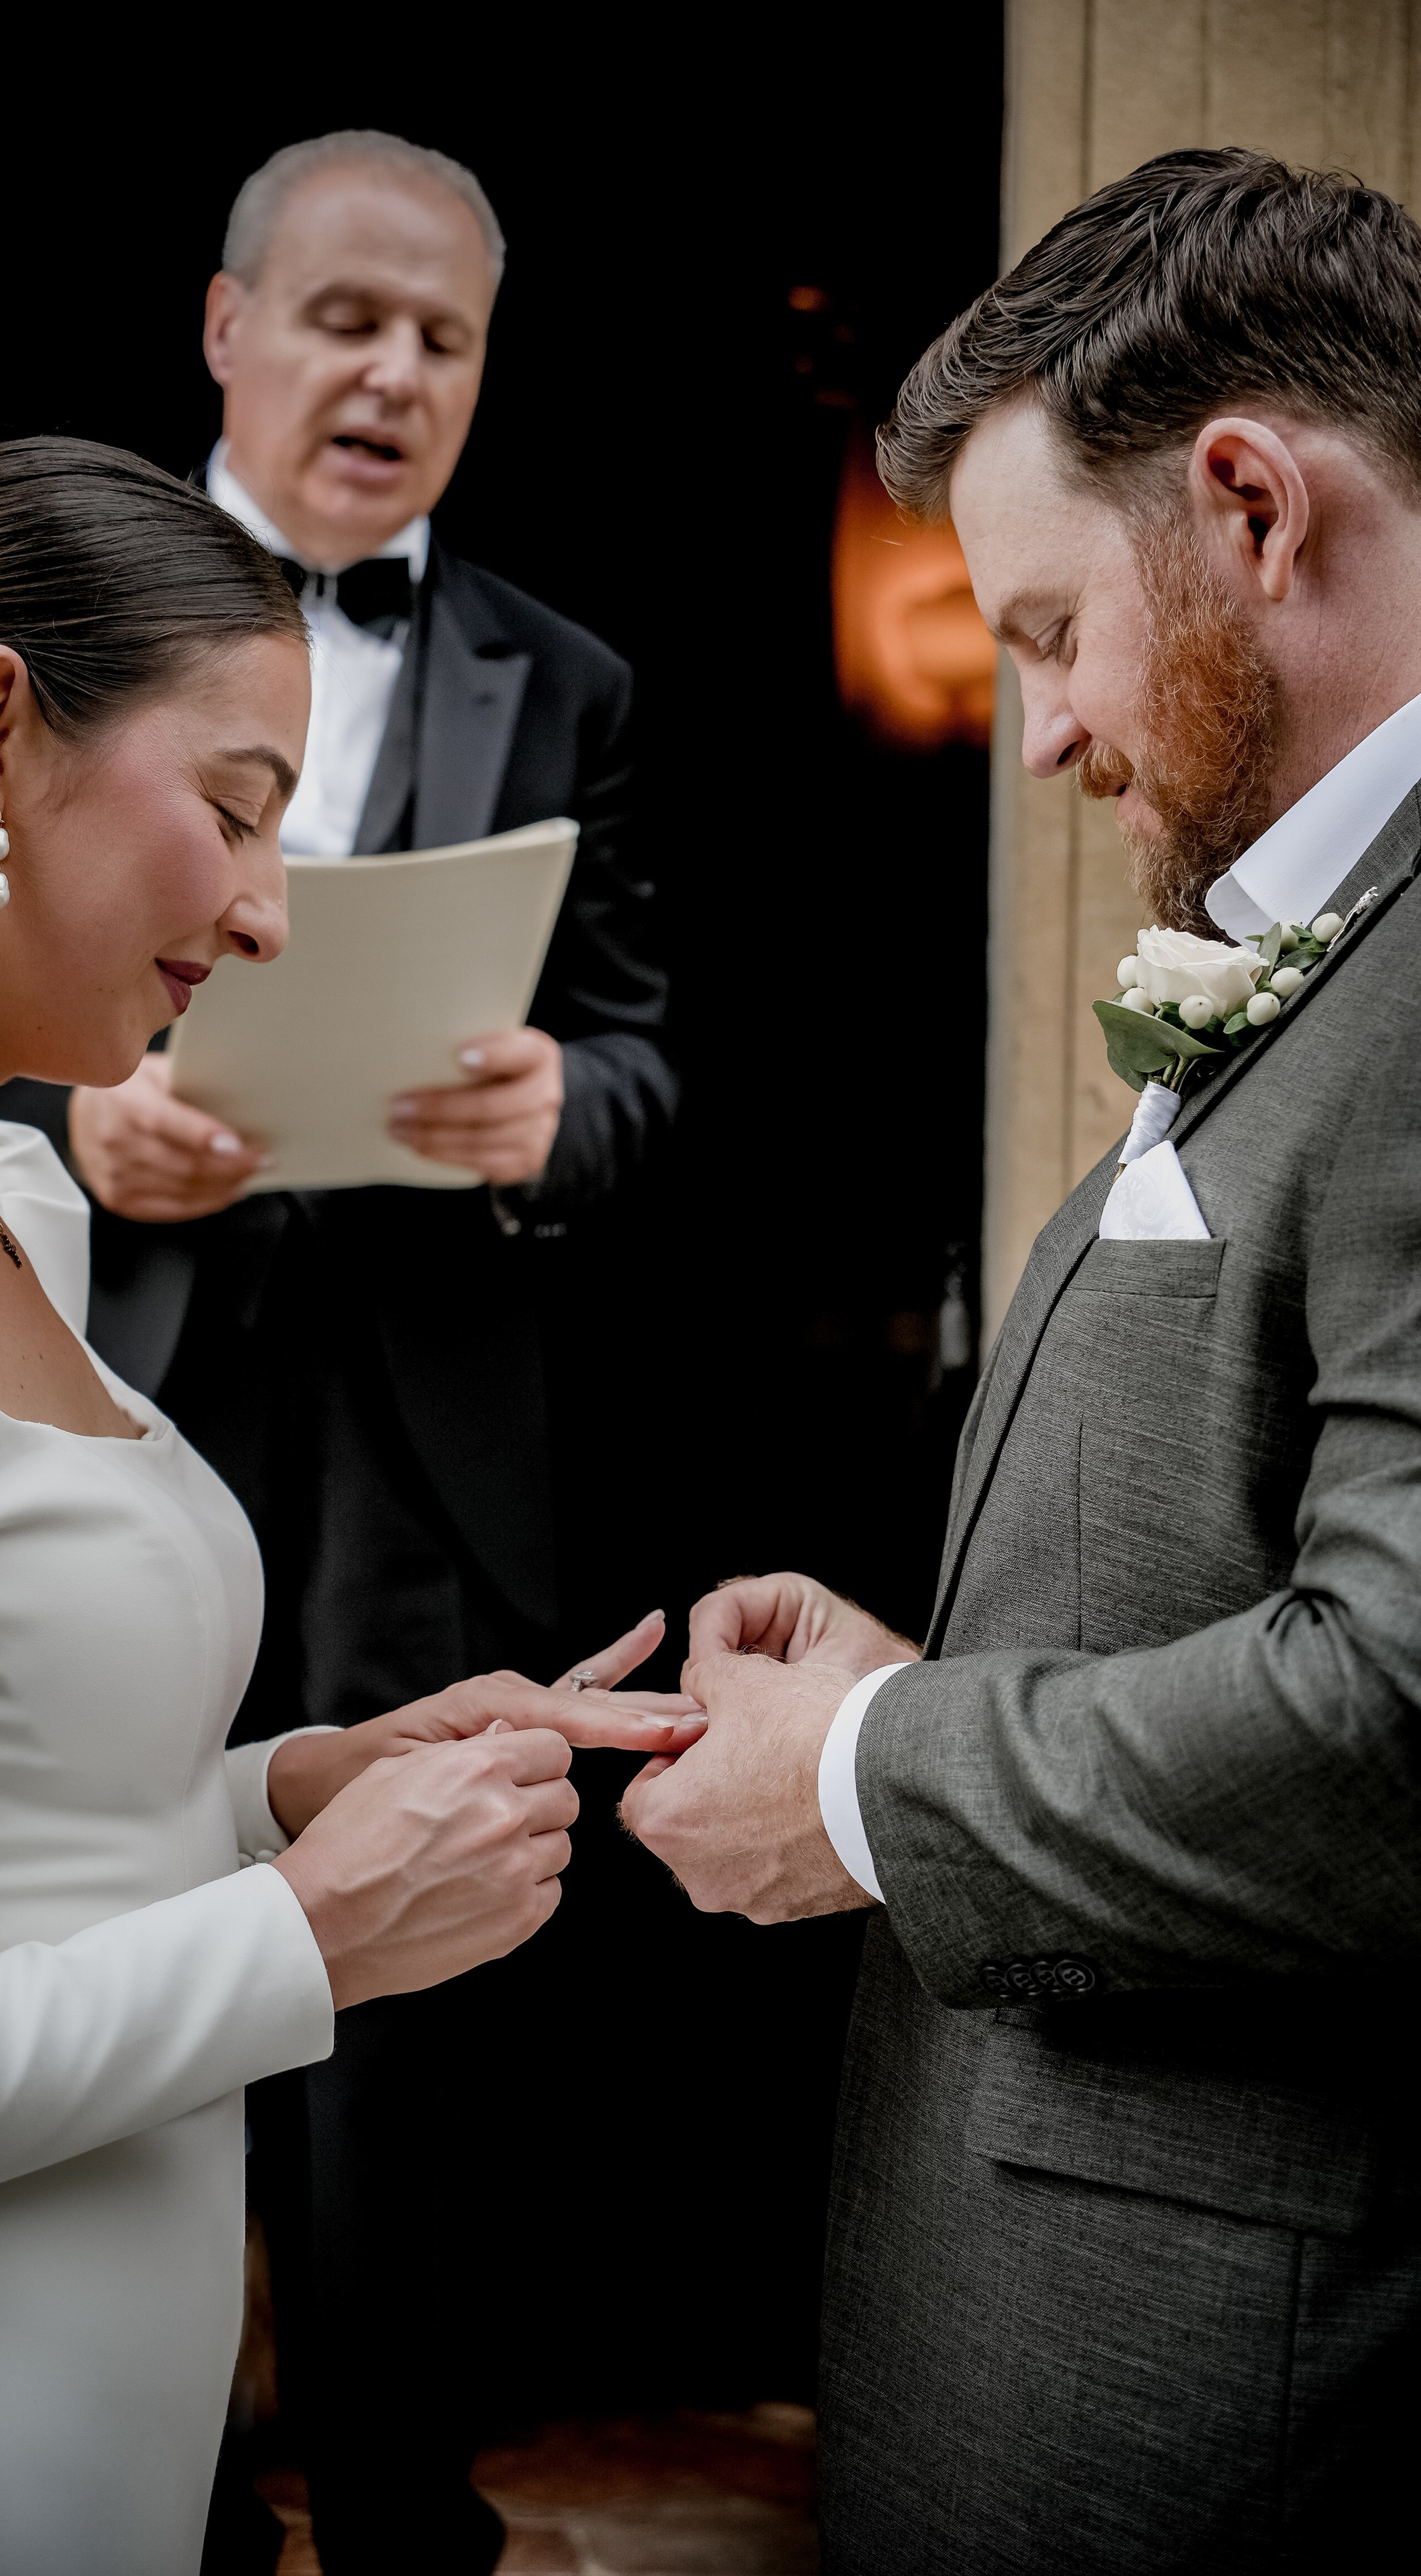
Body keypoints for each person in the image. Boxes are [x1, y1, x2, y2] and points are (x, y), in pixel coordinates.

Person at [0, 443, 695, 2576]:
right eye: (237, 811)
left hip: (106, 2435)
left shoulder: (19, 1209)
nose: (268, 906)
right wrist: (307, 1943)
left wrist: (300, 1792)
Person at [624, 148, 1421, 2572]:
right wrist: (934, 1670)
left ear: (1254, 506)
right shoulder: (1337, 931)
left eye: (1052, 627)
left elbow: (1400, 1706)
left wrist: (871, 1771)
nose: (1044, 727)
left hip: (1224, 2400)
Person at [0, 131, 677, 2574]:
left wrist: (548, 1116)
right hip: (102, 1375)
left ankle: (404, 2517)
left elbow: (639, 1052)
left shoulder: (563, 679)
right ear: (224, 327)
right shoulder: (52, 629)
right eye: (348, 319)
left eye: (447, 340)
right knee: (94, 1898)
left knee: (404, 1986)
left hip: (421, 1432)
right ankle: (142, 2508)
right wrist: (75, 1111)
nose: (393, 376)